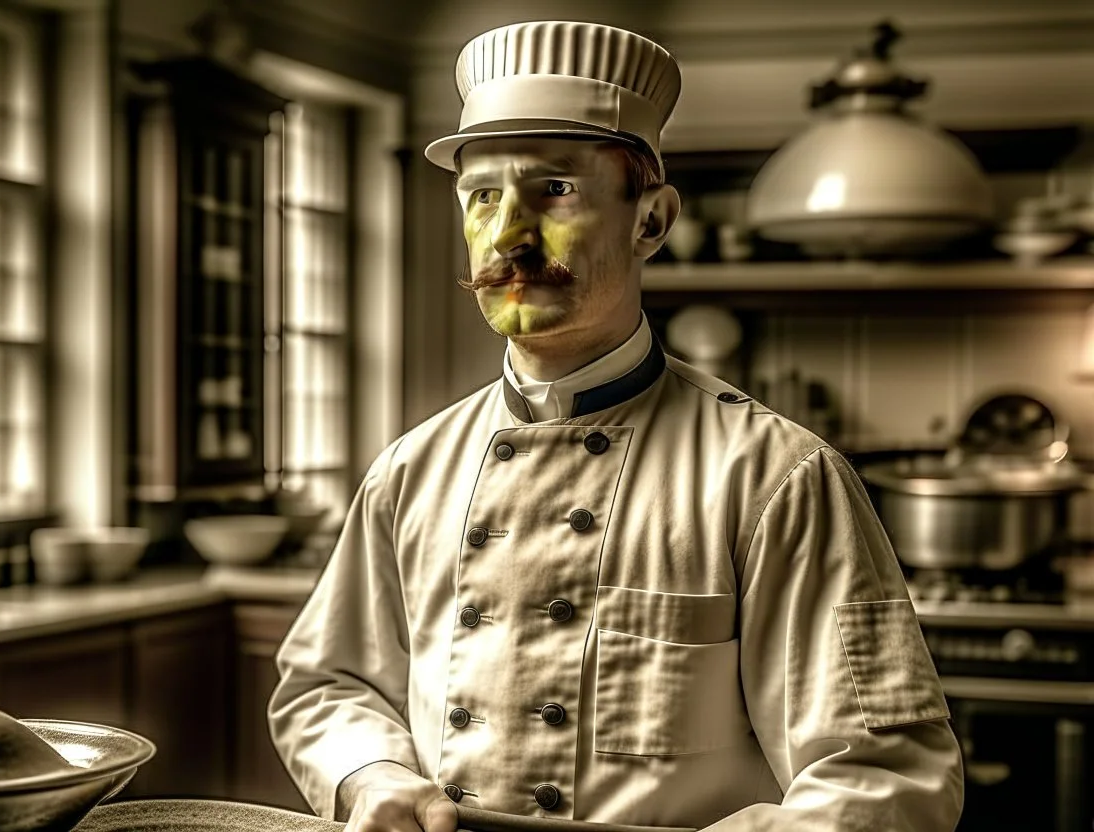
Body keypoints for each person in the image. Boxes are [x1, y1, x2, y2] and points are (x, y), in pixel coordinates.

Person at [268, 19, 964, 832]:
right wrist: (370, 773)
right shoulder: (410, 469)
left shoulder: (778, 477)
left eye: (555, 190)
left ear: (652, 221)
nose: (508, 237)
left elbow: (888, 778)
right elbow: (328, 685)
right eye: (482, 195)